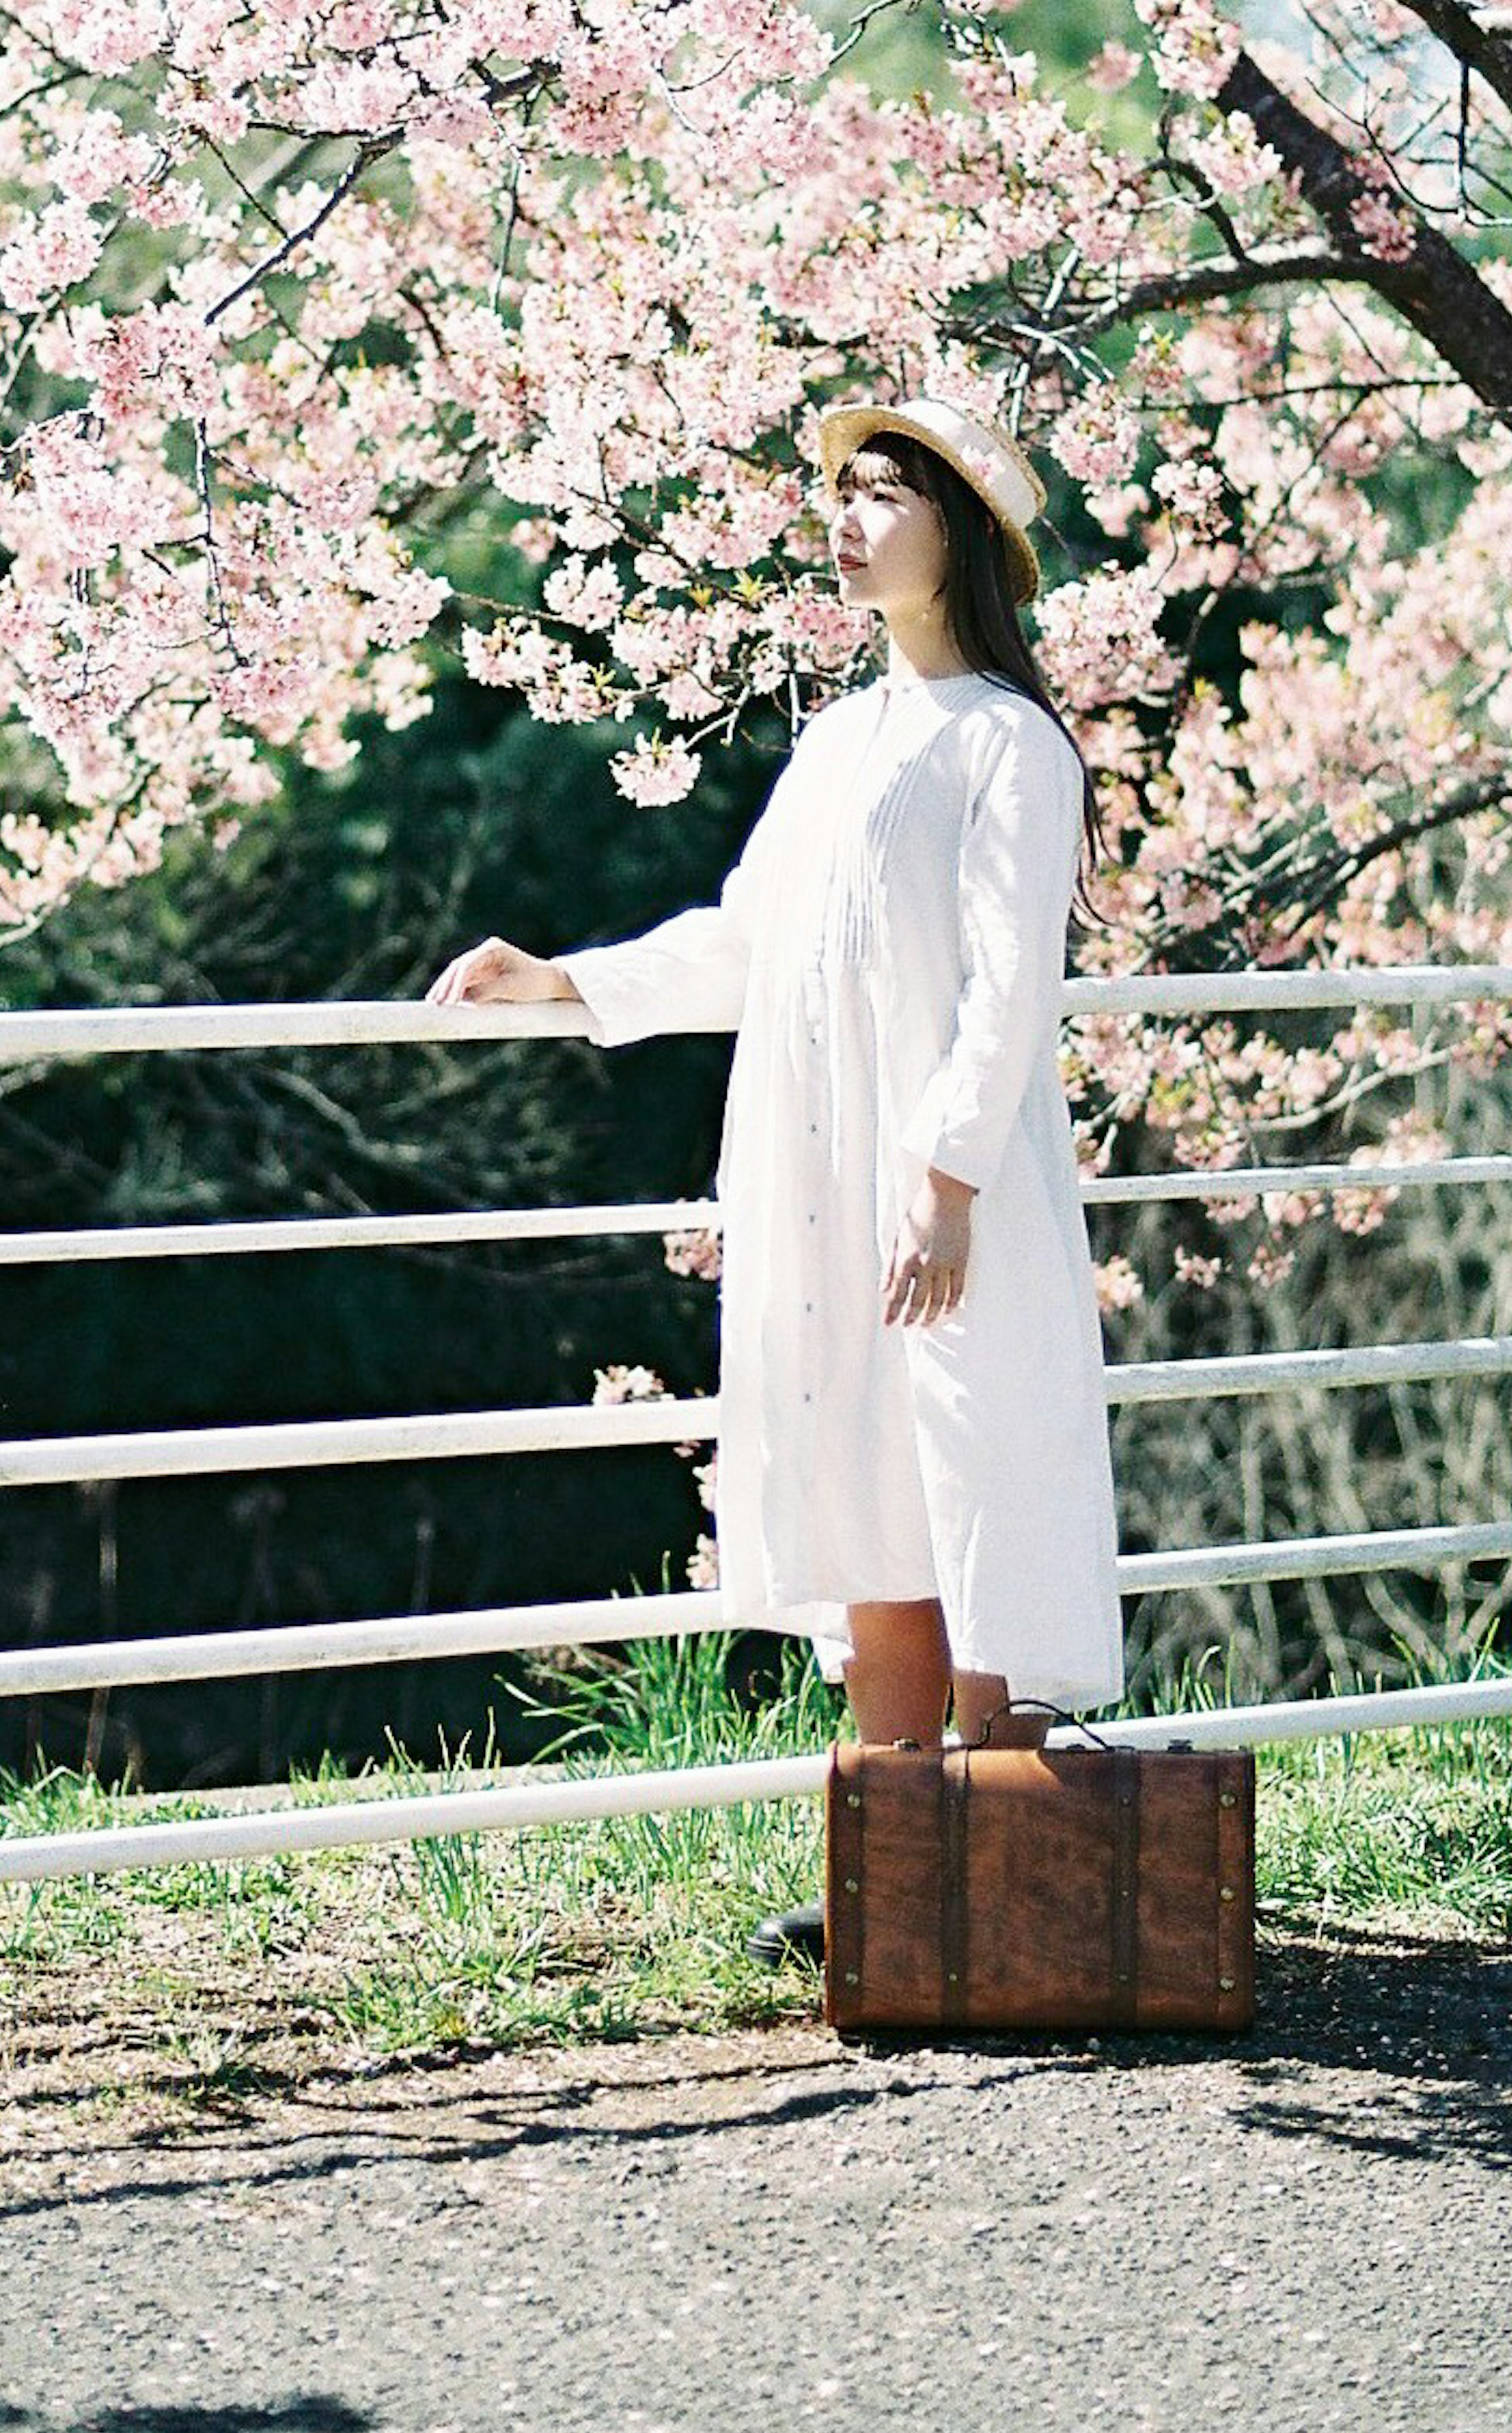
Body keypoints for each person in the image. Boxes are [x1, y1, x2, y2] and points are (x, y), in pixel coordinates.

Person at [425, 394, 1124, 1965]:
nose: (850, 516)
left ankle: (1009, 1889)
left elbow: (1014, 983)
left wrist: (944, 1176)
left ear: (961, 528)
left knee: (974, 1470)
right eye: (845, 492)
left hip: (947, 1178)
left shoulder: (1008, 744)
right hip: (819, 1163)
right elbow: (752, 941)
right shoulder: (837, 740)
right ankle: (888, 1874)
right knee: (873, 1477)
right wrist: (566, 982)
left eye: (885, 492)